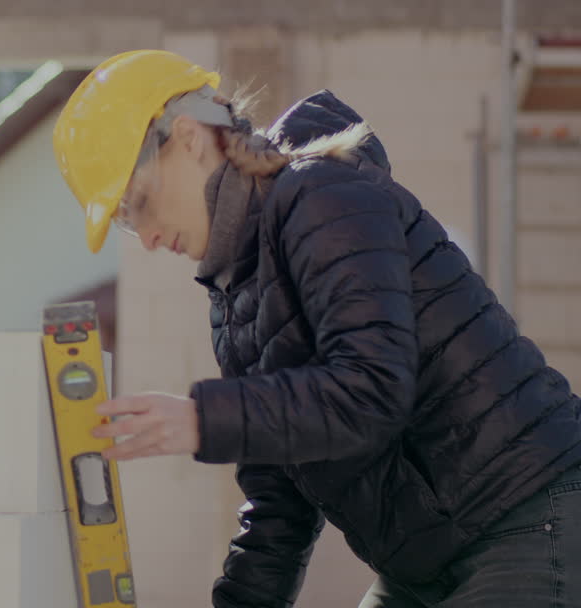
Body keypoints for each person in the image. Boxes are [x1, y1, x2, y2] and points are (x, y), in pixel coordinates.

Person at [51, 49, 581, 607]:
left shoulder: (321, 195)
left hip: (526, 515)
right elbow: (280, 506)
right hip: (426, 563)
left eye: (140, 205)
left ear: (188, 138)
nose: (151, 238)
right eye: (130, 227)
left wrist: (201, 419)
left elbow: (372, 389)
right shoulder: (236, 302)